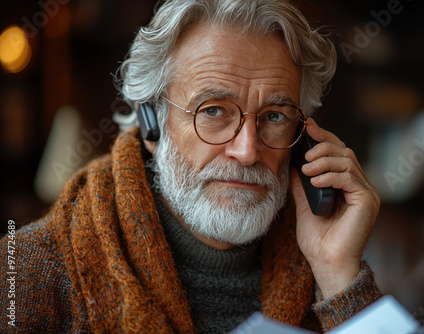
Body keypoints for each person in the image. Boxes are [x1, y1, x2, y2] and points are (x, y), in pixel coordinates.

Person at [0, 0, 382, 333]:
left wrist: (337, 277)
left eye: (276, 116)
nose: (247, 151)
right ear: (151, 123)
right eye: (213, 111)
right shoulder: (25, 273)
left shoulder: (327, 265)